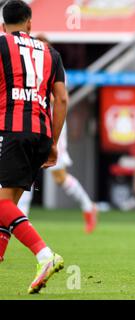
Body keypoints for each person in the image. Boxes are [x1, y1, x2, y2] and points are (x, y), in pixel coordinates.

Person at [0, 0, 67, 293]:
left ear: (3, 26)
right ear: (29, 22)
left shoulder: (1, 45)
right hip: (40, 133)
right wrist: (53, 143)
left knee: (1, 205)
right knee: (7, 205)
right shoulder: (50, 52)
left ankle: (45, 255)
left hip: (10, 130)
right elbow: (62, 100)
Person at [17, 34, 98, 234]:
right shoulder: (29, 66)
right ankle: (22, 218)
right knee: (26, 169)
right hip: (33, 122)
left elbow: (60, 98)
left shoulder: (54, 64)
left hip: (53, 125)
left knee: (59, 175)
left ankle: (89, 206)